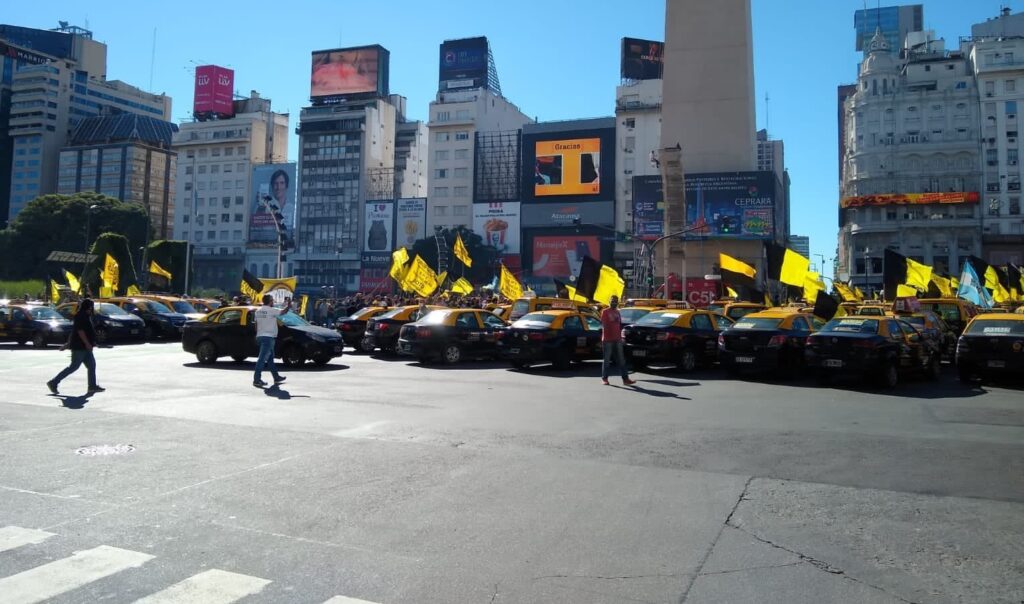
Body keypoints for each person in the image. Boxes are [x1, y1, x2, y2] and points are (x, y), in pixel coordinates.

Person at [47, 299, 104, 394]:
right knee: (73, 367)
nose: (92, 310)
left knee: (92, 365)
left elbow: (74, 332)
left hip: (86, 347)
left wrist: (68, 344)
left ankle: (92, 386)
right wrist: (87, 343)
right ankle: (54, 382)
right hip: (80, 347)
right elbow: (79, 331)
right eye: (91, 307)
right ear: (88, 307)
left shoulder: (85, 316)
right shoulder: (80, 316)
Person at [253, 294, 287, 388]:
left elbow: (256, 325)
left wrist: (258, 334)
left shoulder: (258, 311)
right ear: (270, 301)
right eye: (272, 300)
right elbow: (283, 312)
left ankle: (276, 377)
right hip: (268, 338)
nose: (273, 302)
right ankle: (256, 379)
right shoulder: (271, 310)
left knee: (270, 359)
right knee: (262, 359)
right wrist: (288, 305)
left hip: (261, 336)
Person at [600, 295, 635, 386]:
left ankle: (625, 379)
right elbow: (604, 325)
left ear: (617, 302)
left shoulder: (617, 312)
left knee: (621, 360)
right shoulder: (605, 312)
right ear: (609, 301)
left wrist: (621, 337)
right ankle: (605, 378)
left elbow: (619, 326)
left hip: (617, 339)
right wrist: (609, 336)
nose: (614, 302)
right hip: (608, 340)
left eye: (615, 301)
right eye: (612, 301)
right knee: (607, 360)